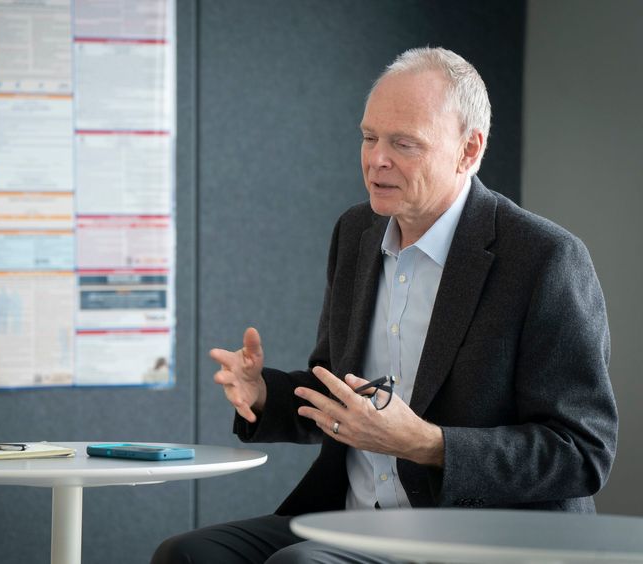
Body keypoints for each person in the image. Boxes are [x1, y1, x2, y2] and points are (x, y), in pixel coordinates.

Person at [151, 46, 618, 564]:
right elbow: (338, 391)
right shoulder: (356, 232)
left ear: (468, 150)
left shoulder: (544, 258)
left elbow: (583, 452)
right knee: (187, 554)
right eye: (369, 137)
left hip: (477, 535)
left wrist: (427, 443)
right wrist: (265, 396)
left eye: (404, 143)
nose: (377, 159)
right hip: (355, 518)